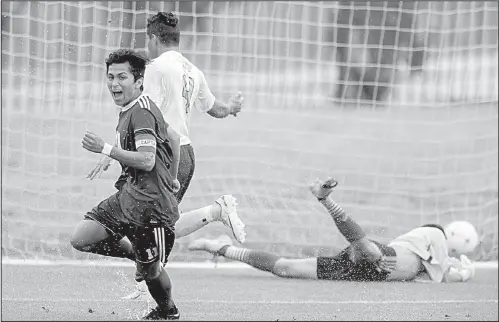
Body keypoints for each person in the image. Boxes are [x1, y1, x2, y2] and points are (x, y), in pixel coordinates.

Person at [86, 11, 247, 298]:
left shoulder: (155, 67)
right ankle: (151, 280)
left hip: (163, 154)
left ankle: (212, 214)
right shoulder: (192, 70)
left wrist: (111, 151)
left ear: (152, 37)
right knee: (157, 222)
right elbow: (215, 109)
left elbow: (140, 111)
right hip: (184, 153)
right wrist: (232, 108)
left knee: (155, 223)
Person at [188, 177, 476, 283]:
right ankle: (326, 200)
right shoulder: (435, 234)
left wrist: (456, 268)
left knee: (286, 268)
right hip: (380, 260)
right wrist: (463, 271)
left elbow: (436, 272)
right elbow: (445, 277)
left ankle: (222, 247)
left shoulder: (428, 261)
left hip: (361, 271)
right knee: (371, 251)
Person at [71, 49, 181, 320]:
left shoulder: (141, 113)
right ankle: (139, 255)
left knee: (151, 272)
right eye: (110, 77)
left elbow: (146, 160)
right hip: (128, 197)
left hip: (150, 208)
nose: (114, 84)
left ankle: (168, 311)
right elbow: (175, 138)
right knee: (81, 238)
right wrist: (174, 177)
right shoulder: (132, 107)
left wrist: (106, 149)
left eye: (122, 77)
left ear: (139, 81)